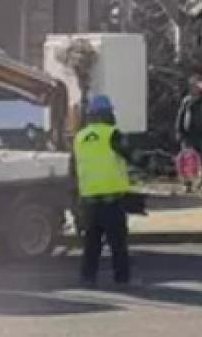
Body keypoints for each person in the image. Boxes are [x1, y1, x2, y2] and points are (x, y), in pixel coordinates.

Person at [72, 94, 134, 287]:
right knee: (118, 244)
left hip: (89, 200)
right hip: (112, 201)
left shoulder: (79, 138)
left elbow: (73, 170)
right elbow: (132, 155)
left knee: (91, 244)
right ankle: (121, 279)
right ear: (108, 114)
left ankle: (87, 278)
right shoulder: (113, 134)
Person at [175, 74, 202, 193]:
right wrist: (179, 131)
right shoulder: (186, 101)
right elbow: (180, 116)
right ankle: (188, 184)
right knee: (188, 159)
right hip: (188, 134)